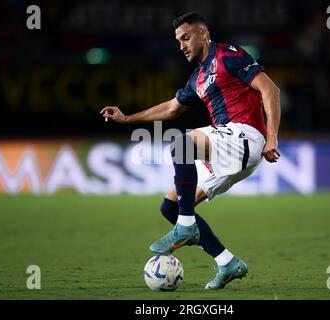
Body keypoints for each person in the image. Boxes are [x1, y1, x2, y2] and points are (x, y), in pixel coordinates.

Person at [100, 12, 281, 290]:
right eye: (178, 41)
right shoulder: (197, 78)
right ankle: (227, 263)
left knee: (181, 143)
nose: (181, 45)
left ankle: (185, 227)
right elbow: (172, 109)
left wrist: (272, 138)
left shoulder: (229, 55)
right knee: (170, 206)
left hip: (245, 135)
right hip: (230, 149)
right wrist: (127, 119)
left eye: (186, 38)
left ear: (203, 34)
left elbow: (270, 90)